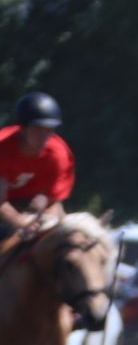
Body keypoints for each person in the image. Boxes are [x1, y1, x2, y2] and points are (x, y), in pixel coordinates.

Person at [0, 93, 74, 251]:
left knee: (64, 237)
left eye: (49, 130)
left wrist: (45, 208)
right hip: (4, 205)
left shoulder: (59, 154)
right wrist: (21, 222)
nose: (45, 137)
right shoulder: (2, 148)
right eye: (38, 130)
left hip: (32, 205)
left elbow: (53, 200)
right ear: (23, 128)